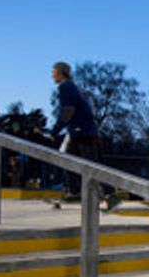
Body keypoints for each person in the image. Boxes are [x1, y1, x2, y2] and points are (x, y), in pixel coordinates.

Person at [49, 61, 119, 209]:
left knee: (92, 165)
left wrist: (55, 130)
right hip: (78, 131)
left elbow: (68, 111)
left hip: (83, 132)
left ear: (61, 73)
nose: (51, 75)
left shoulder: (65, 87)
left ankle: (110, 196)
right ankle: (75, 192)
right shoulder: (70, 87)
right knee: (68, 160)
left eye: (53, 72)